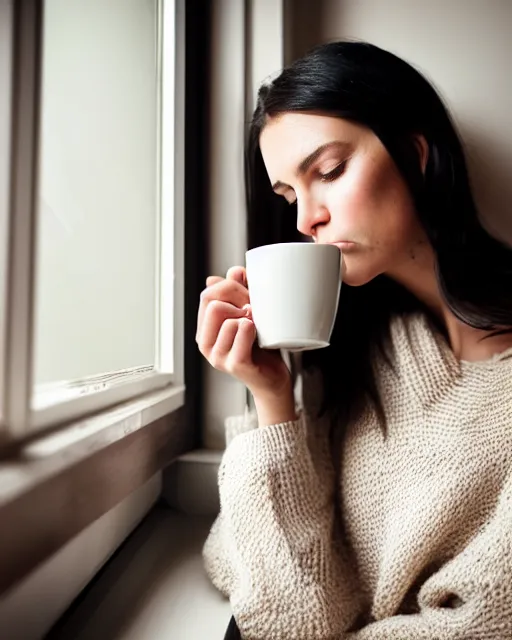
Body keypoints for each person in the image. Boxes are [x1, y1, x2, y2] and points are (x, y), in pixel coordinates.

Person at [196, 41, 512, 639]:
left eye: (330, 171)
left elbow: (486, 621)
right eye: (288, 195)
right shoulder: (354, 359)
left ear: (415, 155)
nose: (303, 219)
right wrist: (270, 398)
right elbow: (288, 610)